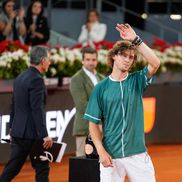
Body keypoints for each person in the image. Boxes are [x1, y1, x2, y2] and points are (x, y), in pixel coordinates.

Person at [84, 23, 160, 182]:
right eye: (124, 55)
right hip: (111, 157)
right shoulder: (100, 88)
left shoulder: (137, 80)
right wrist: (101, 151)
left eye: (131, 57)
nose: (127, 60)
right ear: (114, 56)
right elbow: (93, 124)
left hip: (138, 155)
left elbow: (155, 63)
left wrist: (135, 39)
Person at [0, 46, 53, 182]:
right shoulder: (37, 80)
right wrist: (44, 134)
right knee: (42, 167)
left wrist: (11, 127)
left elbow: (14, 105)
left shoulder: (20, 78)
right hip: (33, 135)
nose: (49, 62)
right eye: (48, 59)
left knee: (12, 168)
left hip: (18, 133)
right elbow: (37, 109)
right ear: (42, 61)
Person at [69, 47, 104, 157]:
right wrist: (103, 114)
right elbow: (82, 105)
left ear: (97, 60)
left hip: (102, 128)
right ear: (82, 61)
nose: (91, 62)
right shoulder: (76, 79)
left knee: (101, 164)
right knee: (82, 164)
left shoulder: (102, 78)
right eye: (88, 60)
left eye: (93, 60)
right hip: (84, 128)